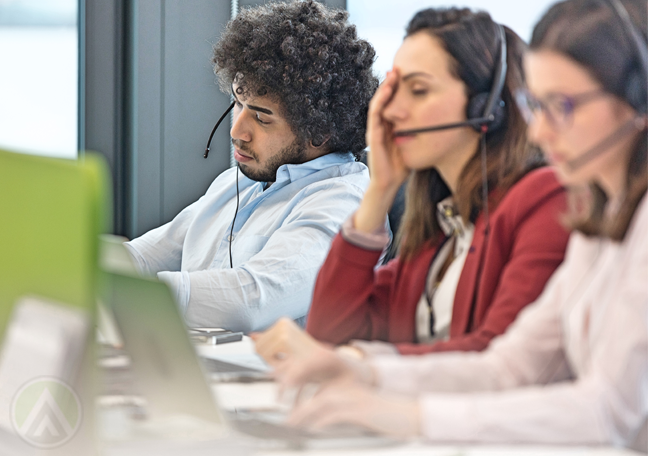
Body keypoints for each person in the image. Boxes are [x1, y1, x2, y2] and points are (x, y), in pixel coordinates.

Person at [256, 0, 648, 449]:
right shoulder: (597, 221)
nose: (541, 131)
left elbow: (609, 413)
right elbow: (509, 367)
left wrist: (405, 414)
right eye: (539, 105)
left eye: (563, 104)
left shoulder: (567, 204)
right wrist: (362, 369)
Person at [256, 8, 570, 358]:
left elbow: (501, 359)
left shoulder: (546, 201)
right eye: (393, 91)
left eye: (418, 90)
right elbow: (329, 334)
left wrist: (363, 362)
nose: (391, 112)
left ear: (487, 107)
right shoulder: (439, 233)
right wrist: (378, 194)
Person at [124, 0, 378, 332]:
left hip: (273, 381)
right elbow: (142, 259)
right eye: (238, 104)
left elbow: (250, 301)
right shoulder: (239, 183)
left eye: (261, 117)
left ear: (319, 131)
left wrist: (128, 295)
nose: (237, 131)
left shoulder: (345, 205)